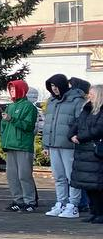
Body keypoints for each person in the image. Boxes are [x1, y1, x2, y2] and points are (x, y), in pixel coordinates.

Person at [44, 73, 87, 219]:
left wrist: (75, 136)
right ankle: (61, 202)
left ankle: (73, 205)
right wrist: (46, 144)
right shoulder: (51, 101)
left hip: (69, 145)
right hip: (54, 145)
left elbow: (80, 121)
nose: (54, 89)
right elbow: (47, 124)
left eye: (56, 86)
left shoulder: (76, 100)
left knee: (71, 177)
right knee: (59, 176)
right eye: (52, 86)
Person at [1, 79, 39, 212]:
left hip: (23, 145)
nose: (12, 91)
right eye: (10, 89)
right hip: (10, 145)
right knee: (12, 176)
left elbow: (28, 126)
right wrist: (4, 139)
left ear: (21, 90)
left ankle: (30, 201)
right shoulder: (10, 106)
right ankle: (18, 200)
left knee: (24, 175)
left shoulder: (29, 107)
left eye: (14, 89)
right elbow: (4, 126)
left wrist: (12, 119)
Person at [69, 84, 103, 223]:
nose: (89, 96)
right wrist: (71, 135)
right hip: (83, 151)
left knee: (97, 185)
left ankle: (100, 213)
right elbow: (76, 124)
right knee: (88, 185)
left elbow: (99, 129)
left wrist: (80, 137)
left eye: (92, 94)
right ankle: (94, 211)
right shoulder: (86, 109)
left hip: (95, 152)